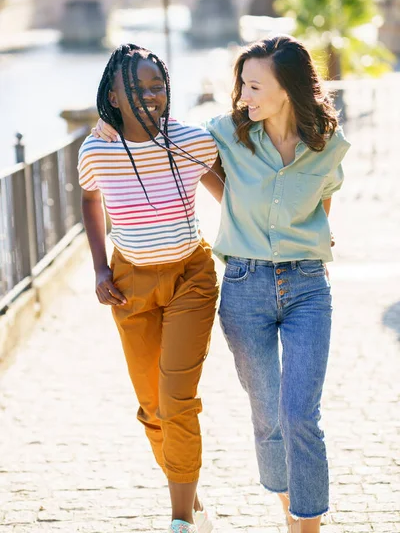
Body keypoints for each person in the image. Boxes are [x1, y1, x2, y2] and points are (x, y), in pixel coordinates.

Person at [92, 36, 350, 533]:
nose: (244, 96)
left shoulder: (328, 143)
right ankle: (285, 499)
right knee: (268, 413)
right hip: (245, 285)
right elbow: (158, 128)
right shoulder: (225, 134)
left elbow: (324, 198)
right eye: (242, 85)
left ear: (288, 90)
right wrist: (109, 117)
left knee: (300, 413)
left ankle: (306, 520)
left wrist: (311, 235)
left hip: (307, 286)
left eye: (254, 86)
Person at [78, 43, 224, 533]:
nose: (149, 95)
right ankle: (193, 500)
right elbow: (90, 201)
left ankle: (180, 521)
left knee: (177, 400)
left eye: (157, 85)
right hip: (129, 284)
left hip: (190, 277)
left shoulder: (191, 141)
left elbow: (232, 197)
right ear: (113, 97)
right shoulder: (97, 150)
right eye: (135, 88)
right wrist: (100, 269)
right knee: (153, 408)